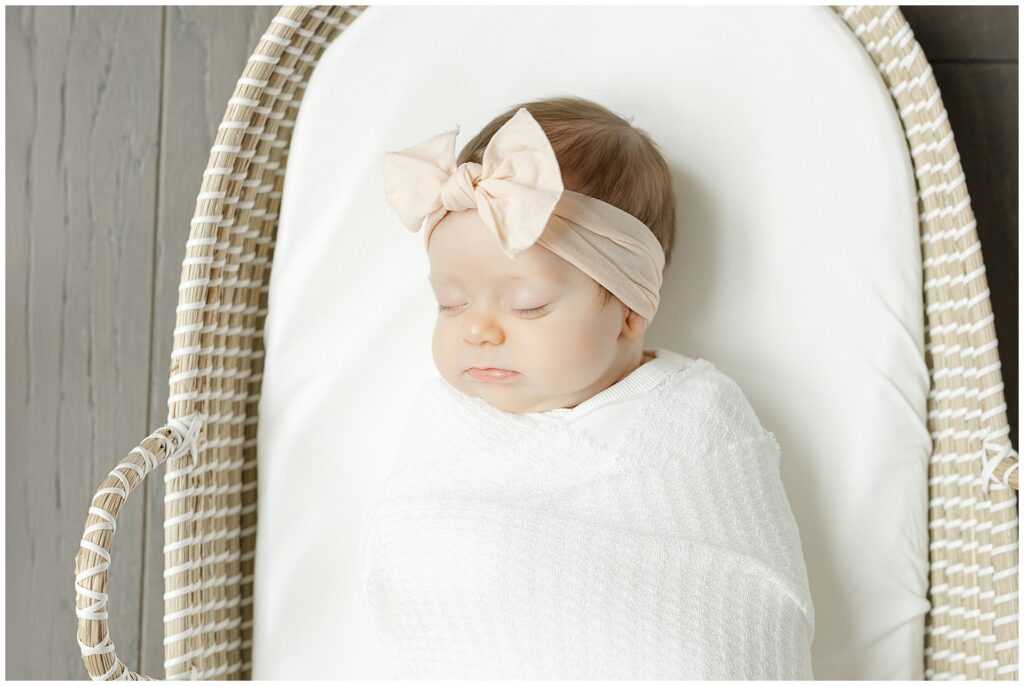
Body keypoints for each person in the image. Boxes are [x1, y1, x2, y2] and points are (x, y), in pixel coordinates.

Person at [356, 97, 815, 679]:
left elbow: (747, 595)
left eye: (529, 305)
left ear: (627, 312)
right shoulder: (445, 422)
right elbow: (412, 556)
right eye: (449, 303)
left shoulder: (695, 416)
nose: (476, 329)